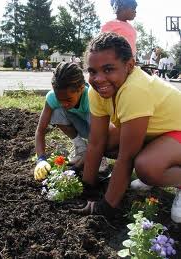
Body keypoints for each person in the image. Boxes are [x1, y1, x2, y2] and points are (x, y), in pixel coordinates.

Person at [72, 32, 181, 223]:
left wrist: (106, 206)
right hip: (159, 132)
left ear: (129, 65)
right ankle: (158, 163)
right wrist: (87, 188)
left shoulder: (135, 89)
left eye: (108, 69)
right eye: (92, 71)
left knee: (146, 168)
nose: (98, 79)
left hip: (177, 130)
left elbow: (126, 157)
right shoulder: (96, 91)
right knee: (107, 141)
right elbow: (96, 142)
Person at [34, 62, 108, 181]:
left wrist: (74, 169)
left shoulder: (92, 97)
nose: (64, 103)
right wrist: (41, 159)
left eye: (68, 99)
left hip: (99, 131)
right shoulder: (53, 98)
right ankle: (80, 147)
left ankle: (101, 156)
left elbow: (98, 138)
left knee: (97, 141)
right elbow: (40, 130)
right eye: (60, 99)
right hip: (83, 126)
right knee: (56, 110)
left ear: (81, 88)